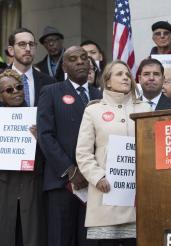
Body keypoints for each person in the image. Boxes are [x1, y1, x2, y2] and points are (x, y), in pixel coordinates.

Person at [75, 60, 151, 245]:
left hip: (137, 197)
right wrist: (98, 177)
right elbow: (83, 152)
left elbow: (152, 148)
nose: (125, 77)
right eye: (119, 74)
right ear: (107, 81)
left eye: (127, 74)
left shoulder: (145, 108)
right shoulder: (93, 110)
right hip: (105, 195)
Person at [37, 46, 102, 246]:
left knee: (89, 240)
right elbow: (45, 135)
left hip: (94, 184)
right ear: (64, 66)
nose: (81, 62)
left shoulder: (100, 95)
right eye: (73, 59)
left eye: (84, 58)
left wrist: (93, 173)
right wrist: (70, 170)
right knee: (61, 239)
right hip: (61, 183)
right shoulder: (51, 92)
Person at [0, 69, 46, 246]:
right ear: (1, 96)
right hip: (5, 186)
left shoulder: (36, 117)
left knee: (31, 236)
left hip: (31, 185)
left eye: (19, 87)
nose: (16, 92)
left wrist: (39, 140)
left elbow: (46, 157)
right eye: (9, 90)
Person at [7, 28, 55, 107]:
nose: (28, 49)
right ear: (11, 50)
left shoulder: (50, 83)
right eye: (22, 44)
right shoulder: (1, 78)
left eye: (31, 44)